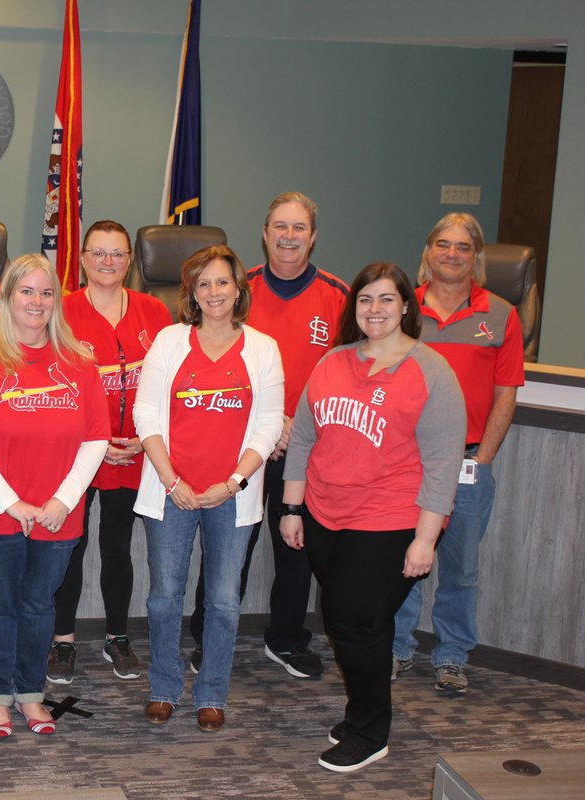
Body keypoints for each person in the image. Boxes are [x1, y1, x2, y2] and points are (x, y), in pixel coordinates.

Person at [281, 262, 466, 773]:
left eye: (386, 299)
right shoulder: (333, 362)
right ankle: (365, 710)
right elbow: (302, 438)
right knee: (353, 622)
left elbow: (443, 464)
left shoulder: (432, 371)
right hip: (323, 515)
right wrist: (292, 508)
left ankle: (369, 732)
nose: (375, 309)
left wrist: (425, 539)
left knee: (358, 623)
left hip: (389, 518)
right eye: (365, 300)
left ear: (407, 305)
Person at [189, 192, 347, 679]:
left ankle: (286, 638)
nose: (288, 236)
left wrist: (298, 426)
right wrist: (270, 426)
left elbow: (348, 371)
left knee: (295, 546)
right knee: (227, 549)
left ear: (313, 236)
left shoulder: (338, 296)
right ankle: (207, 638)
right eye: (280, 226)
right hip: (243, 447)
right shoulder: (240, 289)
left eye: (299, 228)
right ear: (265, 232)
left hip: (308, 446)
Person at [0, 254, 108, 738]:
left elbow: (95, 438)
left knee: (39, 606)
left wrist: (62, 500)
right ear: (8, 297)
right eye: (27, 291)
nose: (37, 302)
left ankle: (31, 694)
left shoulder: (79, 361)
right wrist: (10, 502)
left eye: (46, 293)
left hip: (57, 513)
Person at [133, 245, 284, 733]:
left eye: (222, 282)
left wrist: (235, 481)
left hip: (232, 494)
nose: (214, 292)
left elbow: (267, 425)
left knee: (223, 599)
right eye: (204, 284)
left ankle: (212, 693)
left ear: (238, 288)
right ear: (191, 294)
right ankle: (163, 687)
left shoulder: (263, 348)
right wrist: (170, 479)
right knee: (163, 597)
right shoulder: (169, 341)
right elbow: (146, 414)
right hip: (172, 490)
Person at [392, 213, 523, 693]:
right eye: (443, 244)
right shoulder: (403, 308)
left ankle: (451, 656)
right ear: (427, 251)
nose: (451, 254)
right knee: (403, 559)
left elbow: (506, 392)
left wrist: (481, 460)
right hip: (408, 461)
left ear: (476, 257)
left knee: (460, 567)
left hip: (468, 462)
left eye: (463, 247)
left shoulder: (502, 314)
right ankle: (398, 648)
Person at [49, 220, 171, 684]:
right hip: (78, 454)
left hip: (135, 451)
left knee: (117, 547)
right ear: (81, 259)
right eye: (98, 253)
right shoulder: (60, 311)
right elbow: (49, 386)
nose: (107, 262)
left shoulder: (154, 312)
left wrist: (148, 440)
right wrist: (95, 449)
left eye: (117, 254)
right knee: (71, 546)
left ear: (130, 261)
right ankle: (62, 641)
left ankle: (117, 637)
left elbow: (167, 387)